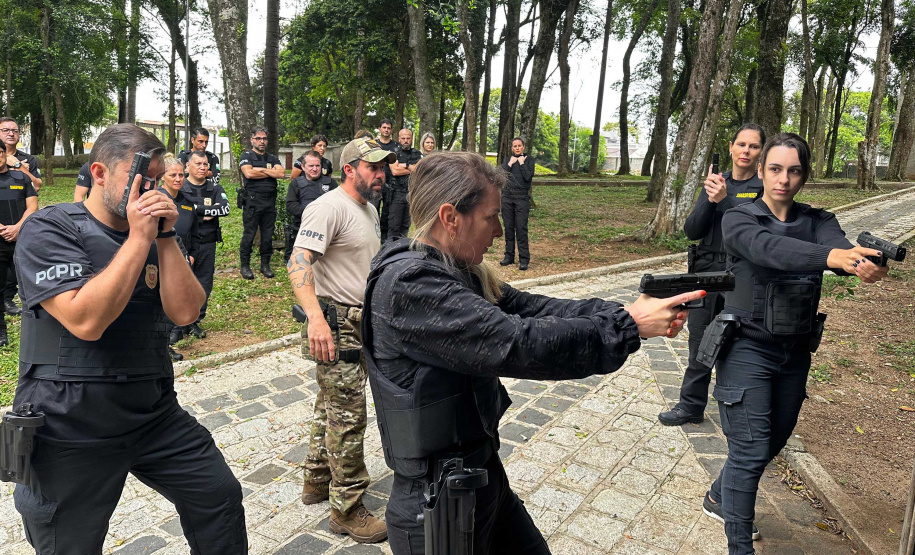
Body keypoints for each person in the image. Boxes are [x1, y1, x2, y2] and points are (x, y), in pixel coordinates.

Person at [362, 151, 702, 555]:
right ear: (451, 217)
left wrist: (624, 313)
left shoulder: (454, 270)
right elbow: (519, 342)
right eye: (491, 217)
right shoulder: (411, 285)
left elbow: (531, 308)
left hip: (479, 478)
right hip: (438, 506)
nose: (501, 230)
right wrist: (628, 326)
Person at [10, 123, 246, 554]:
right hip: (70, 420)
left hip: (152, 412)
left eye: (158, 180)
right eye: (141, 179)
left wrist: (167, 236)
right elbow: (85, 321)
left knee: (218, 498)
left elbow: (187, 312)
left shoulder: (158, 233)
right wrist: (140, 238)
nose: (152, 191)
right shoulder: (50, 229)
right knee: (70, 543)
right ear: (99, 173)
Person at [701, 133, 888, 554]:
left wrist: (861, 261)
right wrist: (834, 259)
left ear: (805, 175)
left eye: (794, 170)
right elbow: (770, 249)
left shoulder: (817, 220)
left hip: (795, 352)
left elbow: (837, 245)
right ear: (762, 170)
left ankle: (719, 495)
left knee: (774, 439)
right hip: (745, 348)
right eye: (775, 169)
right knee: (749, 451)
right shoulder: (739, 216)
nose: (783, 179)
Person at [286, 137, 395, 544]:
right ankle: (346, 510)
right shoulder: (328, 207)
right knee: (349, 417)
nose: (381, 175)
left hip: (359, 323)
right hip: (336, 326)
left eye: (383, 168)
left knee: (330, 406)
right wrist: (316, 319)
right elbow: (298, 261)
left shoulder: (366, 207)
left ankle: (316, 481)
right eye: (373, 168)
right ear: (349, 169)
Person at [659, 123, 766, 426]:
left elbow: (756, 232)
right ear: (732, 148)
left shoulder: (764, 188)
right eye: (741, 144)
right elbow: (691, 230)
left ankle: (740, 409)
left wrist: (726, 201)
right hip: (706, 272)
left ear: (761, 152)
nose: (746, 151)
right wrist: (710, 196)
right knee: (701, 339)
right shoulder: (716, 183)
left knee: (740, 340)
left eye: (753, 146)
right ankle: (691, 406)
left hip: (742, 273)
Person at [179, 150, 230, 342]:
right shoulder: (180, 187)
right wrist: (206, 212)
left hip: (208, 243)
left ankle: (194, 320)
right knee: (182, 283)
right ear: (188, 166)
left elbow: (224, 208)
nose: (202, 167)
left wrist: (194, 209)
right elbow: (177, 210)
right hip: (184, 245)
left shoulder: (215, 188)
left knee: (203, 284)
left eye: (205, 165)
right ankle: (179, 323)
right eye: (198, 164)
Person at [159, 154, 199, 362]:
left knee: (178, 299)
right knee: (161, 302)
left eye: (181, 175)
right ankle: (162, 346)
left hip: (183, 257)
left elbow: (191, 231)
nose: (178, 178)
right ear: (162, 176)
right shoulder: (155, 198)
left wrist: (189, 254)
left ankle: (170, 338)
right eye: (172, 174)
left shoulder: (186, 200)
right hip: (160, 259)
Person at [0, 117, 40, 317]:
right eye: (5, 130)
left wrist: (18, 166)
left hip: (21, 214)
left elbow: (37, 185)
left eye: (14, 130)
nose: (10, 133)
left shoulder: (28, 160)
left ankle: (8, 298)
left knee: (17, 262)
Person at [0, 147, 38, 346]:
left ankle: (36, 331)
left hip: (22, 239)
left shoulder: (20, 179)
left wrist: (17, 228)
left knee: (27, 283)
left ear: (5, 154)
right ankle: (1, 332)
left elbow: (32, 206)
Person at [239, 126, 284, 280]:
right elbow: (248, 173)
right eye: (258, 138)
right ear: (252, 140)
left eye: (264, 138)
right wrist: (268, 171)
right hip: (252, 201)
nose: (262, 141)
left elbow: (281, 173)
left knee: (267, 235)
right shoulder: (246, 156)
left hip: (269, 201)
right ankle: (245, 265)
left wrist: (260, 169)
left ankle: (265, 264)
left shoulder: (272, 158)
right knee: (249, 234)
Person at [284, 150, 337, 263]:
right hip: (303, 227)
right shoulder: (296, 183)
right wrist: (311, 214)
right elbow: (290, 205)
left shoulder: (330, 183)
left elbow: (338, 205)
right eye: (311, 166)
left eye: (317, 165)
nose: (315, 169)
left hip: (325, 227)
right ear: (303, 167)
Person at [499, 137, 535, 271]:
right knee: (508, 228)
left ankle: (524, 259)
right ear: (512, 148)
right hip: (507, 198)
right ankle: (509, 256)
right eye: (515, 146)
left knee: (521, 229)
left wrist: (521, 163)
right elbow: (502, 176)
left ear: (523, 147)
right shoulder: (508, 160)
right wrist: (510, 164)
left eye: (519, 146)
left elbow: (528, 177)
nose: (517, 148)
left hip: (522, 199)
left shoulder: (529, 160)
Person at [387, 128, 422, 242]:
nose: (406, 141)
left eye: (408, 138)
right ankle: (389, 251)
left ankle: (401, 251)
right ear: (399, 139)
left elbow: (419, 169)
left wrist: (404, 165)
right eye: (403, 138)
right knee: (394, 225)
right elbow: (395, 171)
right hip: (396, 193)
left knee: (405, 225)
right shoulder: (393, 153)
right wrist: (411, 167)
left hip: (411, 193)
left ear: (412, 139)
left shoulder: (417, 154)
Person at [375, 119, 397, 235]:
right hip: (376, 181)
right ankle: (373, 232)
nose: (386, 130)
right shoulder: (374, 145)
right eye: (384, 127)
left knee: (387, 211)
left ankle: (384, 236)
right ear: (379, 129)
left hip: (391, 183)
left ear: (391, 130)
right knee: (374, 208)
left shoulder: (396, 146)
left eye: (388, 128)